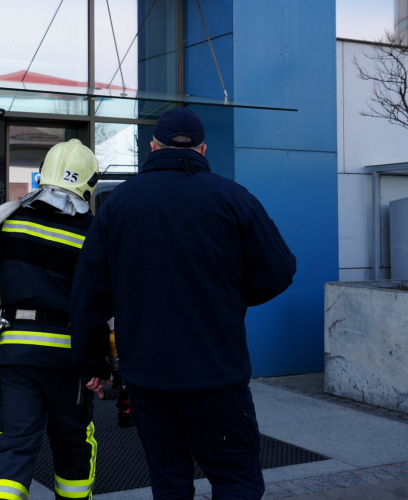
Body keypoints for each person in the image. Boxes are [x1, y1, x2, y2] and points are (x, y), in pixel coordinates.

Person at [70, 108, 297, 500]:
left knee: (170, 483)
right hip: (217, 374)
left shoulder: (118, 204)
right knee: (236, 480)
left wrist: (91, 363)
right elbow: (279, 270)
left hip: (148, 378)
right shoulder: (233, 197)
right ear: (203, 149)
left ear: (153, 147)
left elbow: (89, 291)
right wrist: (229, 300)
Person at [0, 139, 108, 500]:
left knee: (14, 445)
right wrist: (102, 362)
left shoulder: (12, 217)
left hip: (16, 350)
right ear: (89, 182)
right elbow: (102, 301)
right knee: (73, 444)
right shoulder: (94, 233)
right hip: (70, 357)